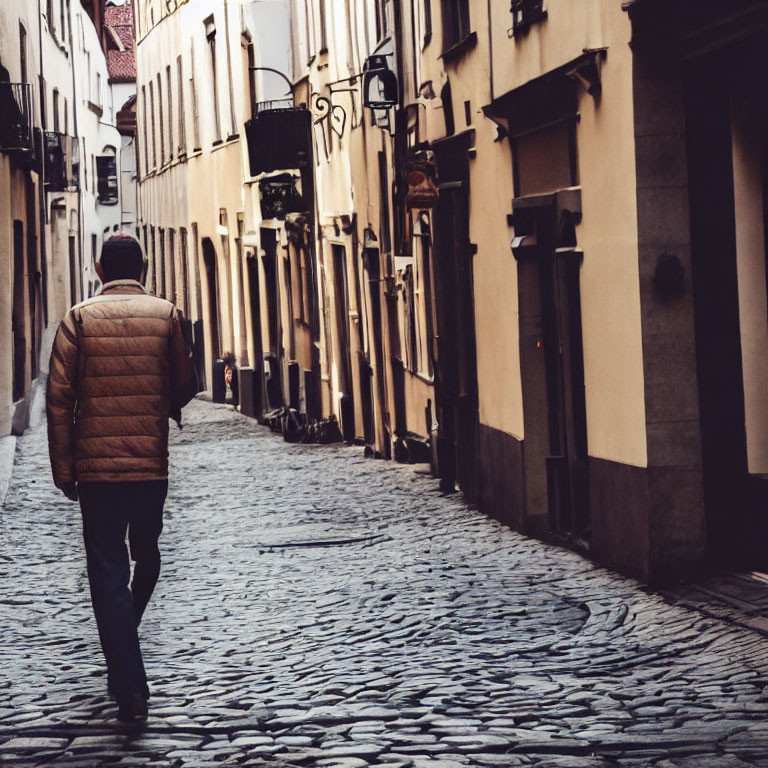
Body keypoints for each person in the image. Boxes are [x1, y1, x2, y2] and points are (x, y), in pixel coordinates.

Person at [46, 234, 198, 724]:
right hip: (149, 467)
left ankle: (127, 672)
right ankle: (128, 667)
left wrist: (64, 469)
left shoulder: (78, 319)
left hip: (97, 473)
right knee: (147, 556)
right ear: (145, 267)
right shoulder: (167, 315)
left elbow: (57, 401)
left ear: (97, 268)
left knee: (108, 571)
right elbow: (186, 384)